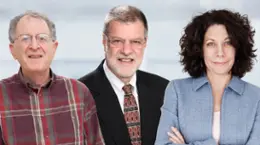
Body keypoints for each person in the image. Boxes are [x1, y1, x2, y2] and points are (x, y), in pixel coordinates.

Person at [155, 9, 260, 145]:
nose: (220, 52)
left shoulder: (256, 97)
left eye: (228, 43)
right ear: (200, 49)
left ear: (238, 48)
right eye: (211, 44)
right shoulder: (177, 90)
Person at [0, 11, 104, 145]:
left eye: (42, 38)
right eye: (25, 38)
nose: (34, 46)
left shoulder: (78, 93)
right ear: (12, 50)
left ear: (54, 48)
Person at [79, 5, 169, 145]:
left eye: (135, 42)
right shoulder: (79, 94)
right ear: (104, 42)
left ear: (145, 43)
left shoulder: (164, 90)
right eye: (117, 41)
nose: (127, 50)